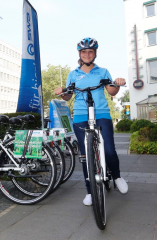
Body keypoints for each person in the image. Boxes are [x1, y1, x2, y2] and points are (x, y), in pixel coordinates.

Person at [54, 37, 128, 206]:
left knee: (109, 150)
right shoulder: (73, 74)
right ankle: (90, 191)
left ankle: (116, 177)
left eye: (90, 51)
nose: (87, 54)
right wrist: (61, 92)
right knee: (85, 156)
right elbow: (68, 95)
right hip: (80, 115)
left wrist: (117, 83)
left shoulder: (103, 72)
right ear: (80, 54)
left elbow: (112, 91)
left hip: (101, 113)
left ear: (94, 53)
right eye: (84, 52)